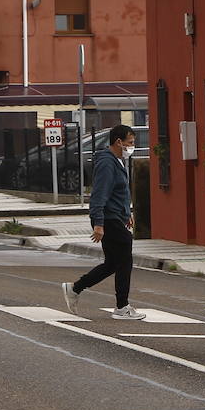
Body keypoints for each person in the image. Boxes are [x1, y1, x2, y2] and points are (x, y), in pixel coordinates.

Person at [62, 124, 145, 320]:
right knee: (125, 260)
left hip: (115, 216)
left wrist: (127, 213)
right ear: (118, 142)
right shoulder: (107, 163)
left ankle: (75, 288)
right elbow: (99, 195)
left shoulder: (116, 161)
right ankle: (122, 307)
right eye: (130, 143)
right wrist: (98, 224)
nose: (132, 147)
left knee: (112, 263)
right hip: (108, 218)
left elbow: (119, 192)